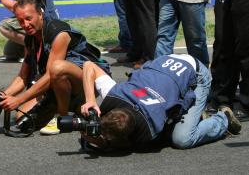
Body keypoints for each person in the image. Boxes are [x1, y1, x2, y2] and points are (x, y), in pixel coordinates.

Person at [78, 54, 241, 152]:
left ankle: (223, 119)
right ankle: (195, 116)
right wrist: (91, 100)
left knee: (181, 138)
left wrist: (103, 144)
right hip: (164, 65)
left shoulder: (152, 126)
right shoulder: (114, 93)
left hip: (195, 74)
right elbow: (89, 65)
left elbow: (129, 145)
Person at [0, 0, 109, 135]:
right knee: (22, 119)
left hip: (90, 78)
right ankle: (72, 106)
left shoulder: (58, 32)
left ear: (40, 14)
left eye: (28, 18)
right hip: (61, 82)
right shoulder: (30, 39)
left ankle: (62, 116)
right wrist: (4, 96)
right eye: (20, 21)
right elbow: (22, 78)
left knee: (57, 68)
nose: (25, 24)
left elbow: (51, 75)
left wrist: (19, 99)